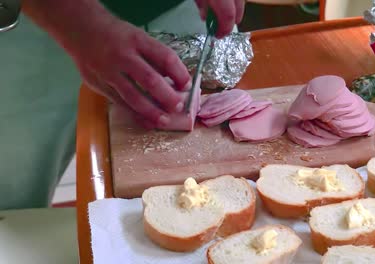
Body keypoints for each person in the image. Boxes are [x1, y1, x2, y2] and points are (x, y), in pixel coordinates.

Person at [0, 0, 245, 209]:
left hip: (183, 11)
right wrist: (76, 21)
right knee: (11, 209)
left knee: (217, 194)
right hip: (30, 22)